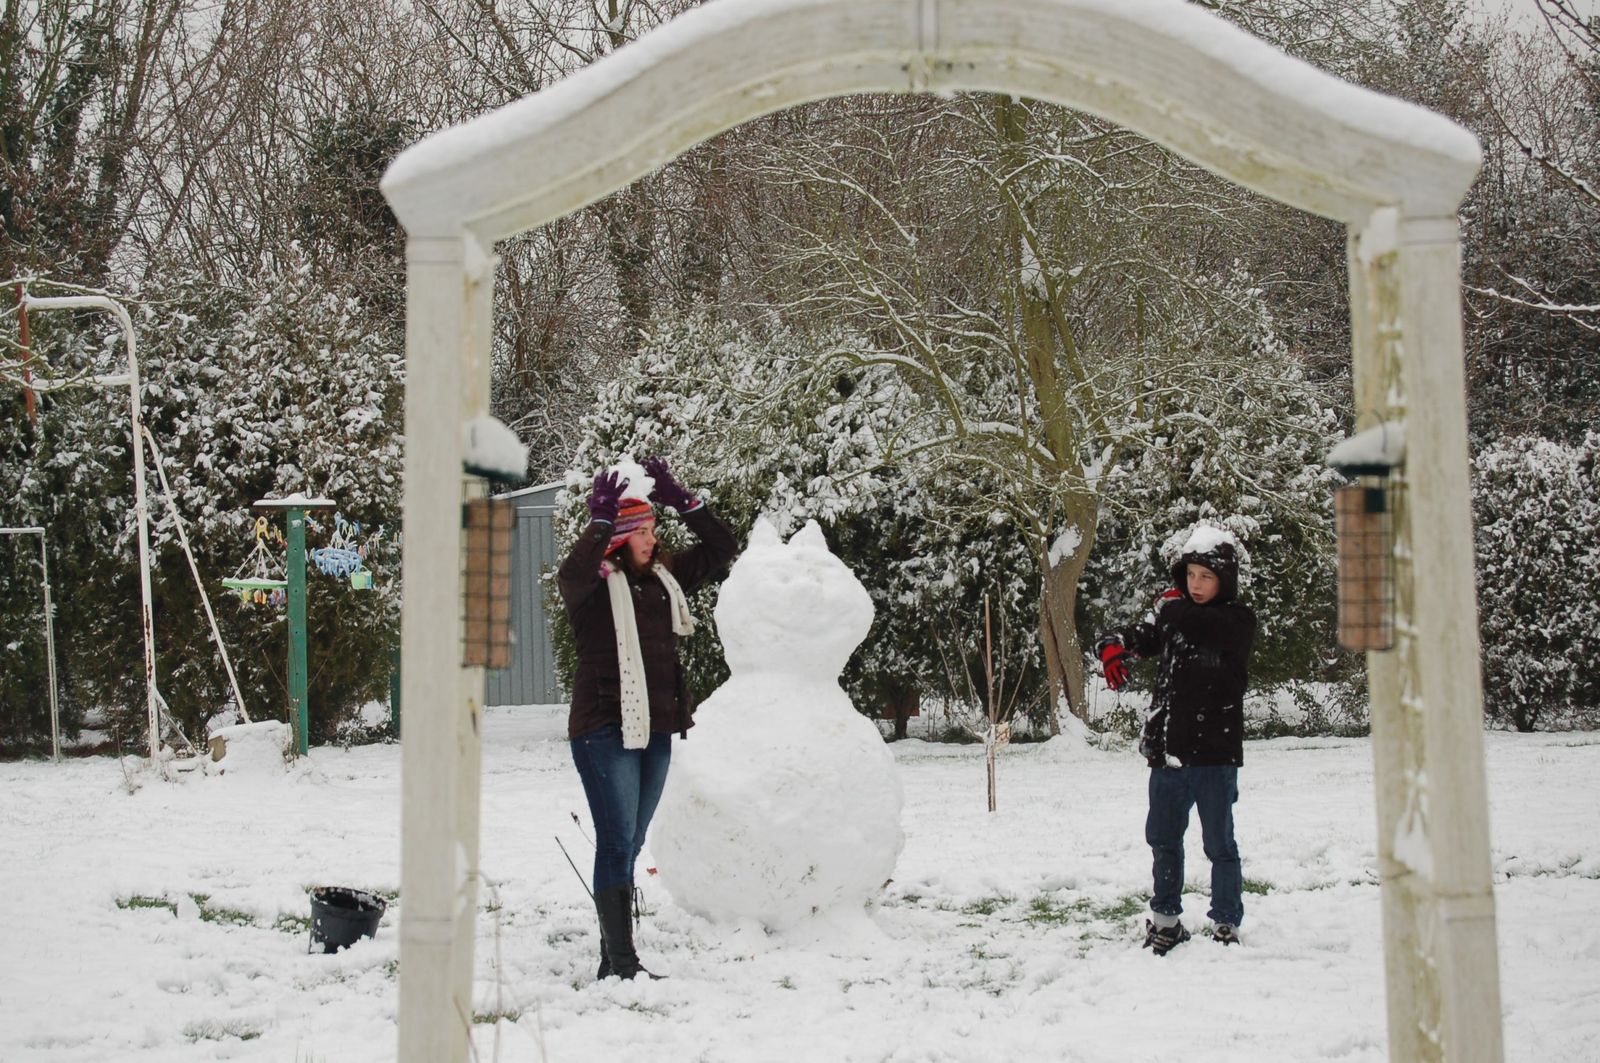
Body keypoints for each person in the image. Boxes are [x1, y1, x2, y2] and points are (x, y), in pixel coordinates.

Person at [557, 456, 737, 980]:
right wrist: (600, 521)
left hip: (655, 727)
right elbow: (571, 572)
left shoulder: (663, 579)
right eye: (643, 531)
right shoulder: (592, 588)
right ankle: (622, 964)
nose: (653, 539)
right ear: (620, 537)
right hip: (603, 729)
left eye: (655, 530)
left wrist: (687, 503)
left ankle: (612, 957)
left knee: (630, 843)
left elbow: (722, 549)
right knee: (617, 842)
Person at [1095, 534, 1256, 955]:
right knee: (1163, 839)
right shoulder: (1174, 616)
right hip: (1169, 751)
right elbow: (1143, 634)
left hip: (1215, 754)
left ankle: (1226, 921)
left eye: (1206, 577)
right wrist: (1112, 646)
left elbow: (1200, 625)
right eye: (1190, 575)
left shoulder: (1237, 619)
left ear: (1225, 581)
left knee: (1219, 844)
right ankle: (1166, 921)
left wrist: (1168, 607)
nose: (1196, 584)